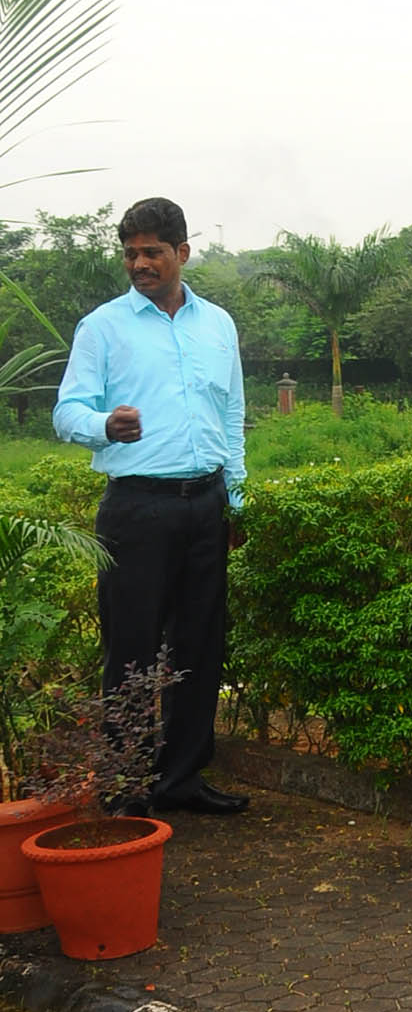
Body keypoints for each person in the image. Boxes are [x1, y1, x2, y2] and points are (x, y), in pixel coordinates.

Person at [51, 197, 249, 814]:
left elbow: (232, 415)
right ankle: (124, 788)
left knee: (199, 647)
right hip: (136, 508)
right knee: (131, 648)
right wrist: (104, 425)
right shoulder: (103, 327)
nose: (140, 263)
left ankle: (181, 779)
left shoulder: (217, 325)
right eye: (131, 253)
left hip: (206, 503)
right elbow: (67, 411)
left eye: (152, 252)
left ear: (182, 252)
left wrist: (237, 498)